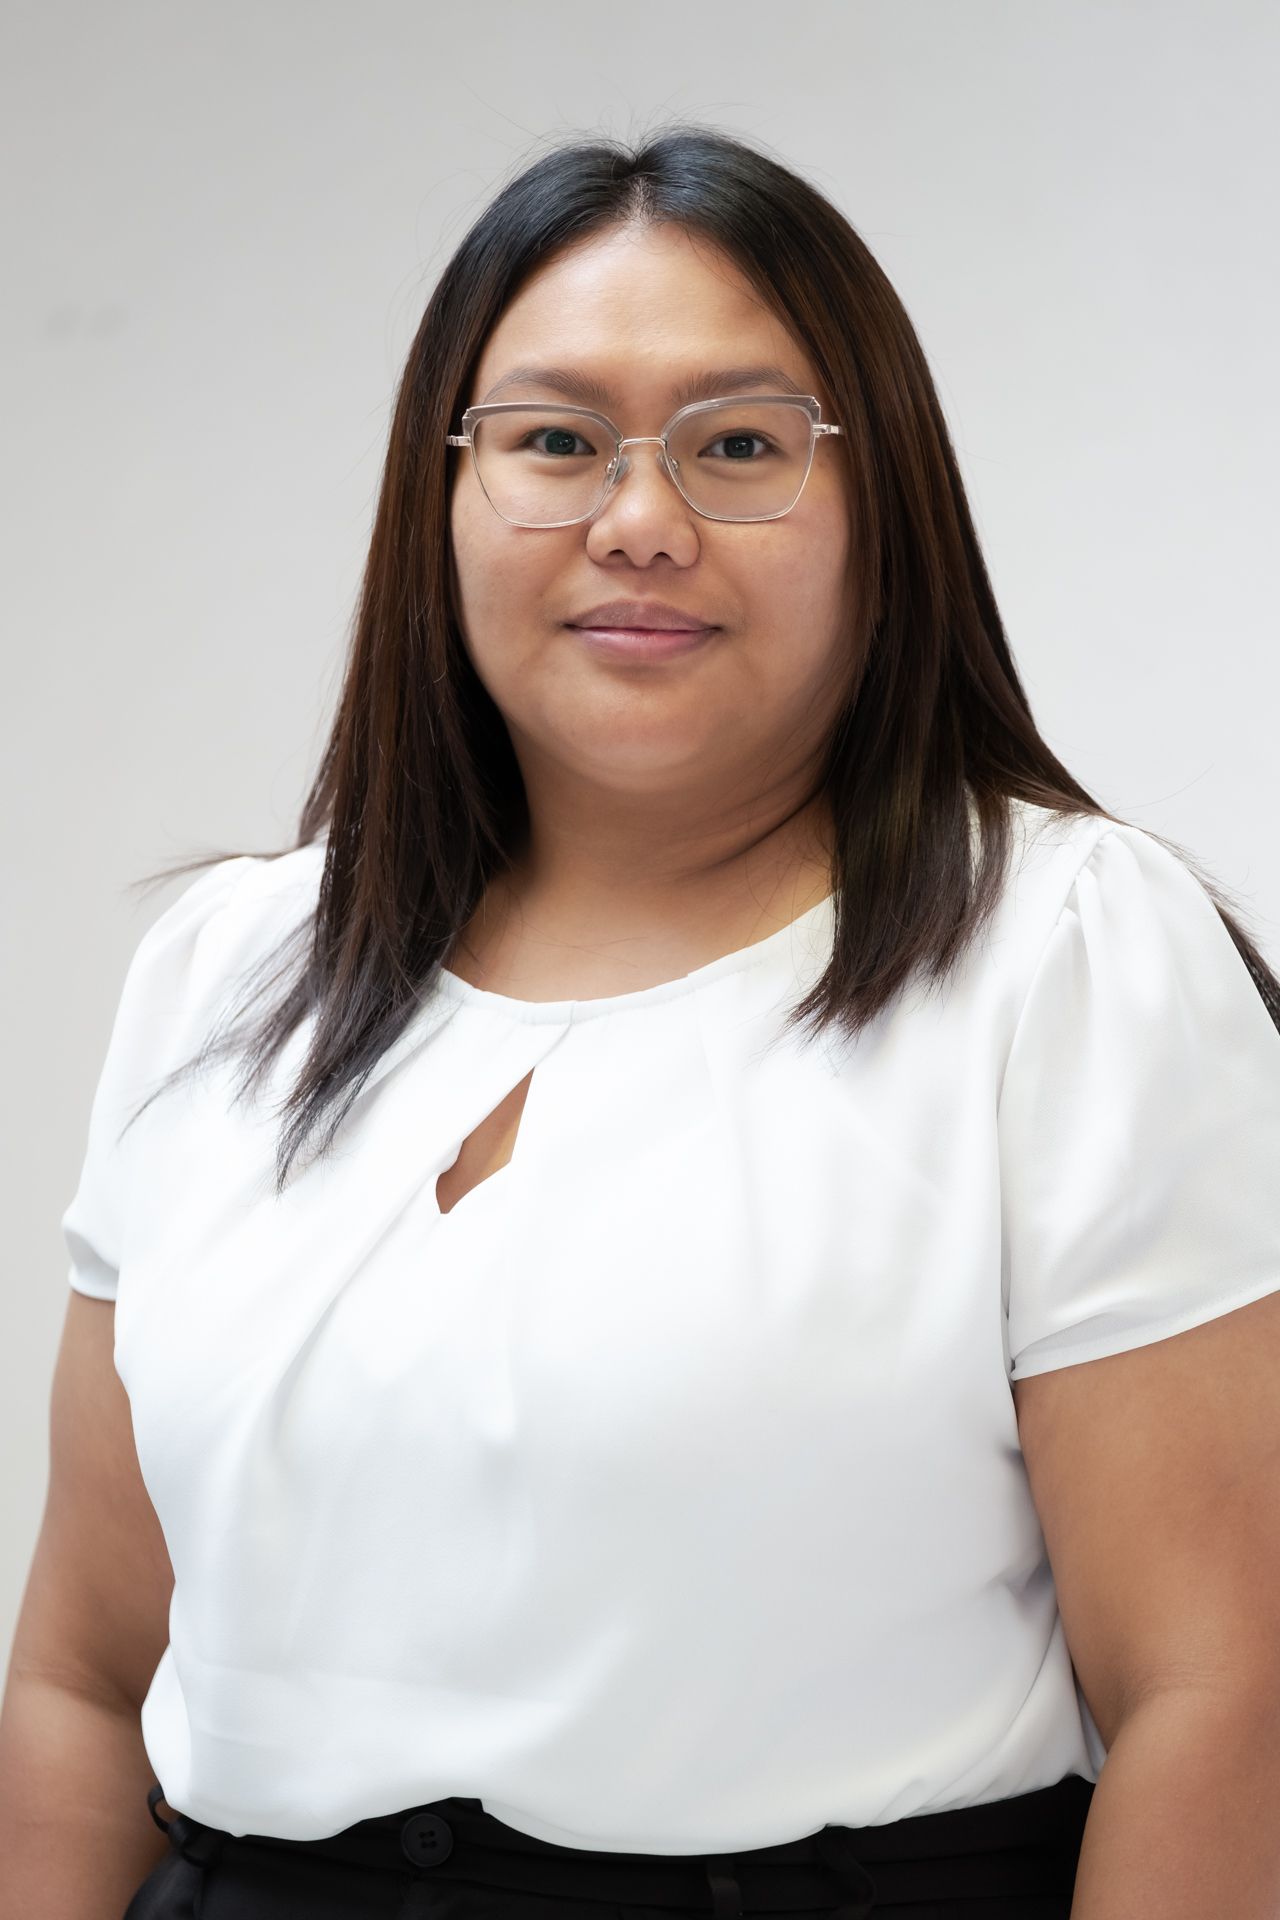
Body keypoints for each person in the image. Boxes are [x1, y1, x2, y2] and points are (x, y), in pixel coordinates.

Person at [4, 123, 1279, 1920]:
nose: (640, 521)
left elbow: (1222, 1704)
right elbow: (80, 1677)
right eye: (552, 443)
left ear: (882, 503)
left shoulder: (1064, 954)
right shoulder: (230, 972)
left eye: (739, 446)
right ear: (440, 496)